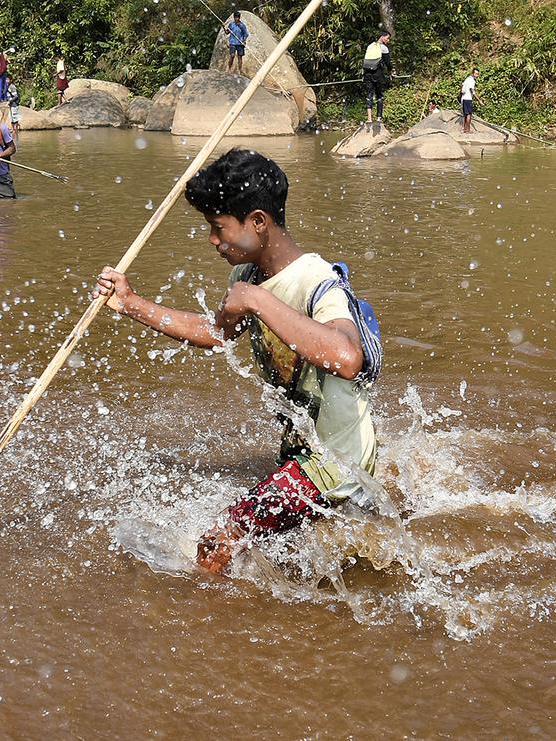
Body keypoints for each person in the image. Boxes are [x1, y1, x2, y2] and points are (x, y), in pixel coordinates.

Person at [93, 149, 380, 575]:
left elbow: (347, 357)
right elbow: (215, 332)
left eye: (218, 227)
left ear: (258, 222)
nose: (213, 239)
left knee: (219, 540)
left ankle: (200, 623)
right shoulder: (245, 277)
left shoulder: (316, 281)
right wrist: (131, 303)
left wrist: (258, 302)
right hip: (302, 454)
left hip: (336, 461)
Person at [362, 31, 392, 123]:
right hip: (378, 74)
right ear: (382, 37)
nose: (388, 40)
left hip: (367, 73)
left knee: (369, 95)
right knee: (379, 95)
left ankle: (369, 119)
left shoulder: (370, 46)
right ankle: (379, 118)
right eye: (387, 38)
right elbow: (388, 63)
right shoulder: (383, 48)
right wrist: (390, 72)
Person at [460, 68, 481, 134]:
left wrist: (460, 95)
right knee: (469, 114)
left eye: (478, 74)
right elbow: (472, 90)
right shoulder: (472, 80)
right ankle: (468, 130)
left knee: (465, 114)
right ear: (472, 74)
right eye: (476, 74)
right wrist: (479, 100)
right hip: (468, 99)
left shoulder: (467, 79)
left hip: (463, 98)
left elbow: (462, 86)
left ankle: (463, 129)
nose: (477, 75)